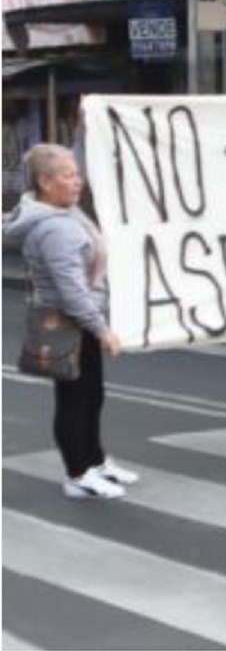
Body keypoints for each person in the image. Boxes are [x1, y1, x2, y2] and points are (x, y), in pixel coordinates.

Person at [2, 143, 137, 499]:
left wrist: (83, 124)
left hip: (78, 319)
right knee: (75, 399)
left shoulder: (65, 211)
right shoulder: (55, 229)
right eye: (69, 176)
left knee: (92, 395)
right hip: (67, 322)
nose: (78, 182)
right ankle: (78, 475)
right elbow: (71, 291)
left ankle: (96, 462)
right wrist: (101, 329)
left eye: (78, 174)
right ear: (46, 183)